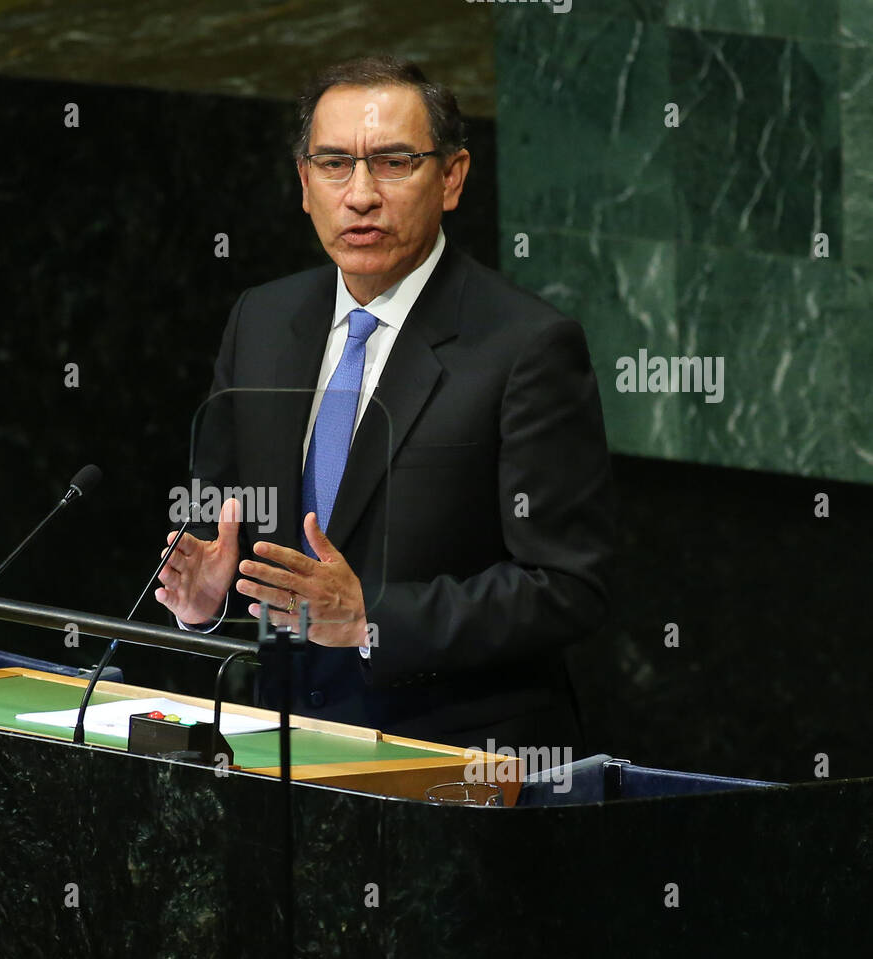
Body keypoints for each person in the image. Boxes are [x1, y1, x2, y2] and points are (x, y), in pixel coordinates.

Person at [153, 56, 615, 748]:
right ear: (305, 184)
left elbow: (568, 587)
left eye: (394, 163)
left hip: (453, 754)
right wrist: (204, 599)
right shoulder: (262, 319)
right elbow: (217, 518)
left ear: (452, 177)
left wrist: (370, 615)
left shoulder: (527, 346)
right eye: (334, 164)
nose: (361, 194)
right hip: (277, 746)